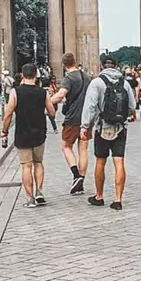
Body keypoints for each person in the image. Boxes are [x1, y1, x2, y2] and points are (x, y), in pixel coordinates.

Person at [81, 56, 136, 210]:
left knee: (100, 161)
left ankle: (99, 196)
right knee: (119, 162)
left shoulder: (97, 83)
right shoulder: (124, 83)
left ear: (101, 66)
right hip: (120, 127)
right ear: (116, 66)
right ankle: (118, 199)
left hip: (102, 127)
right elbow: (132, 106)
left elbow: (90, 106)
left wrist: (84, 127)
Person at [2, 63, 56, 208]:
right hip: (39, 132)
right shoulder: (42, 92)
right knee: (38, 163)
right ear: (36, 75)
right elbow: (52, 112)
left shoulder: (15, 92)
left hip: (22, 132)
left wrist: (4, 131)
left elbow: (8, 114)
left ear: (23, 75)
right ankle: (39, 192)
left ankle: (30, 198)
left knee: (26, 165)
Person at [50, 53, 92, 195]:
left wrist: (47, 101)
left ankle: (76, 175)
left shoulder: (68, 78)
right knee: (83, 150)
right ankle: (81, 182)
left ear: (63, 65)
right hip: (86, 117)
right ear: (75, 62)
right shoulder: (86, 76)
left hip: (73, 118)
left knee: (66, 146)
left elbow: (61, 94)